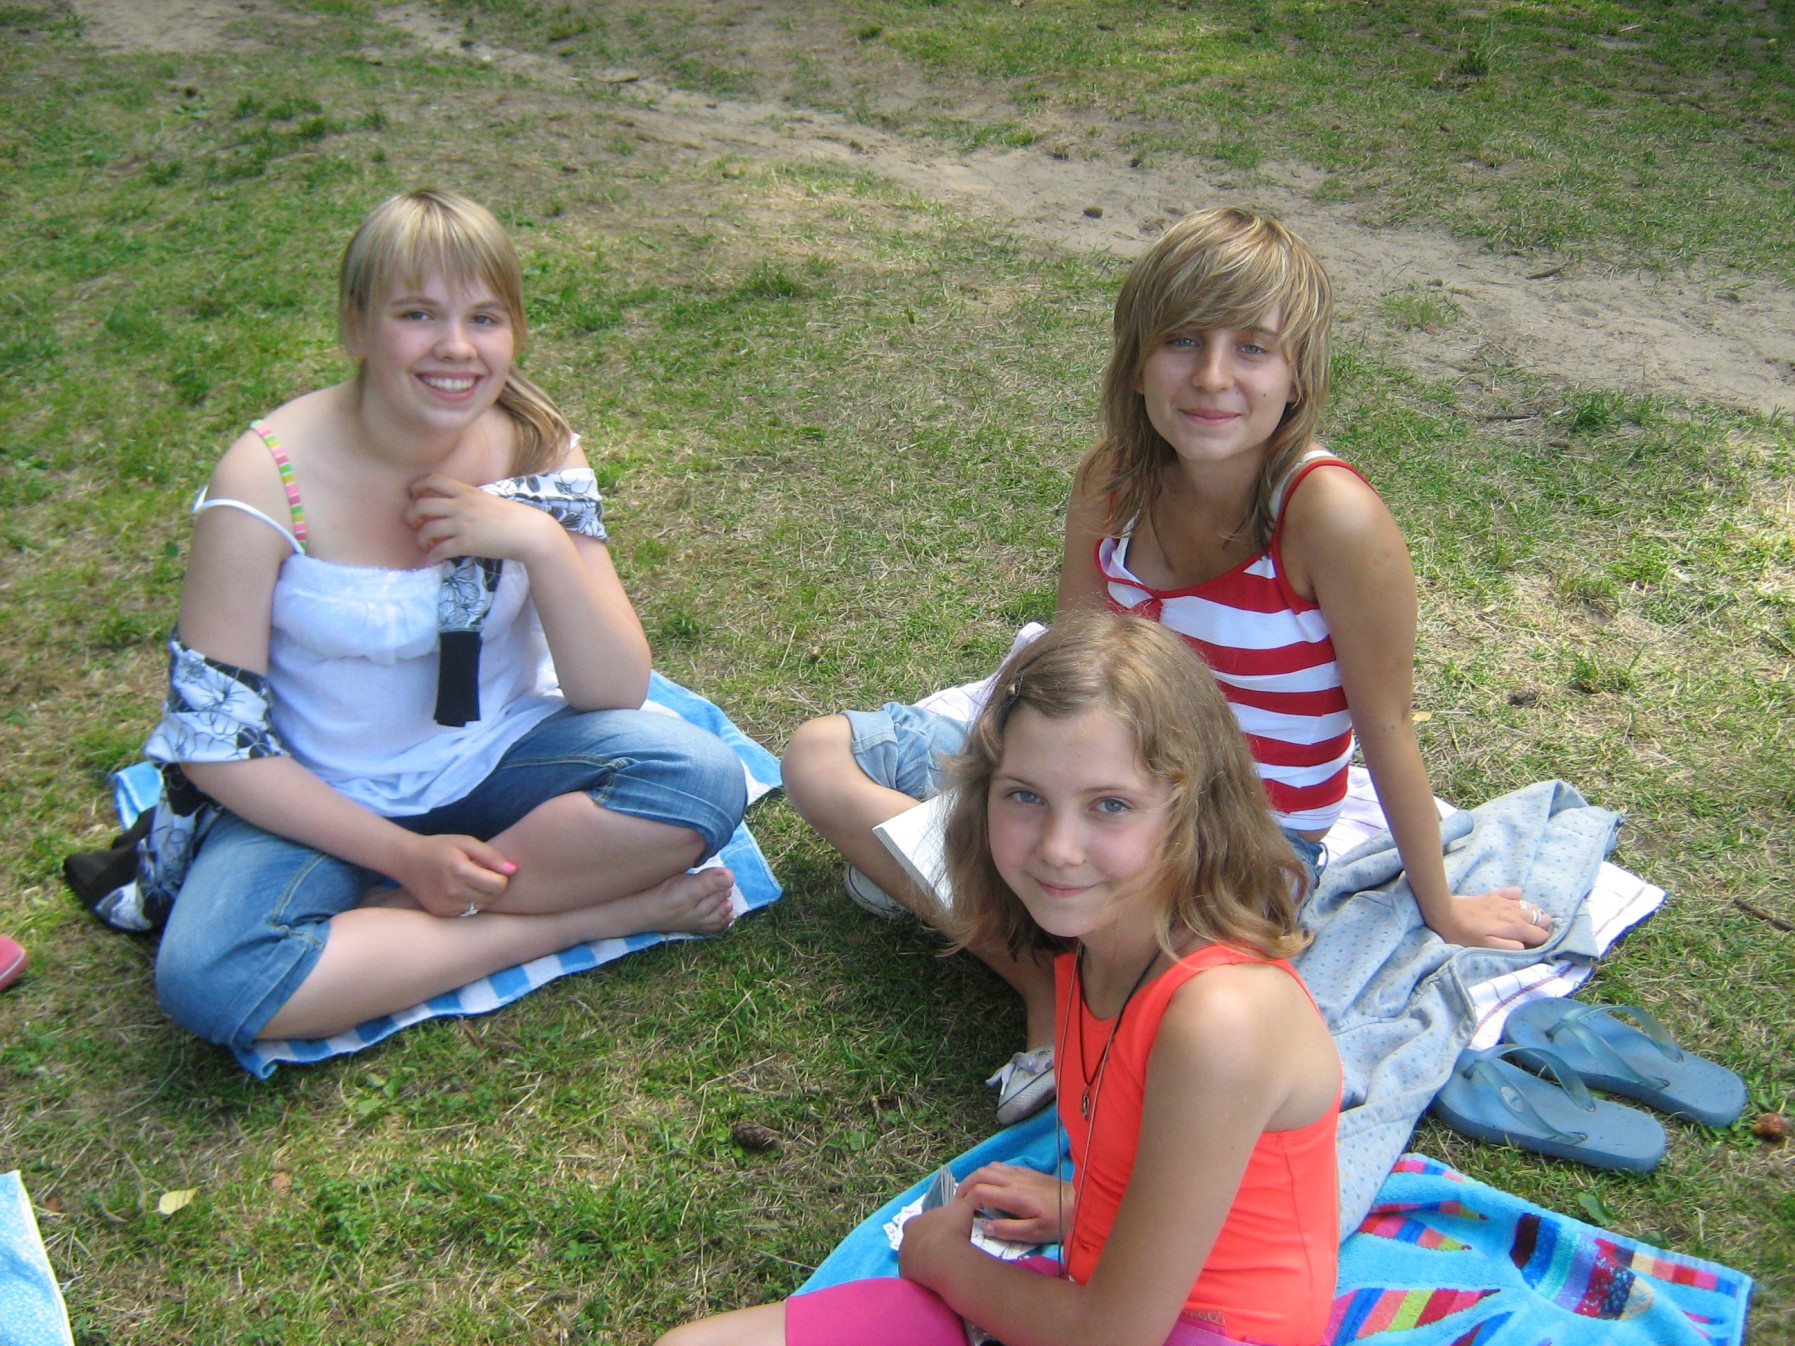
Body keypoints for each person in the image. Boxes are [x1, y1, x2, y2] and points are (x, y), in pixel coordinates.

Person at [783, 206, 1550, 1119]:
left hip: (1237, 831)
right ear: (1136, 361)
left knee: (1160, 955)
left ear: (1297, 375)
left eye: (1252, 347)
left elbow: (1384, 727)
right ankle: (1042, 983)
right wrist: (1004, 783)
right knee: (817, 758)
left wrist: (1441, 906)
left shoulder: (1329, 517)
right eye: (1182, 341)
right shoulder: (1111, 478)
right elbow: (1071, 667)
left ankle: (962, 894)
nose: (1212, 377)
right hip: (1090, 780)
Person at [147, 189, 748, 1051]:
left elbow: (614, 689)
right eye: (417, 314)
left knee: (699, 780)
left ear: (515, 331)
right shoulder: (263, 479)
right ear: (355, 326)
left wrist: (538, 540)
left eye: (484, 318)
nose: (456, 348)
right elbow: (213, 745)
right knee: (211, 979)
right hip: (318, 791)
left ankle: (380, 931)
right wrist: (403, 858)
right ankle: (587, 917)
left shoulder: (536, 445)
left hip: (496, 759)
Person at [660, 614, 1342, 1346]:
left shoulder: (1220, 1018)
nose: (1058, 848)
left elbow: (1110, 1336)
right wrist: (1089, 1204)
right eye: (1024, 796)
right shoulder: (1089, 944)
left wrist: (944, 1261)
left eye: (1110, 805)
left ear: (1192, 812)